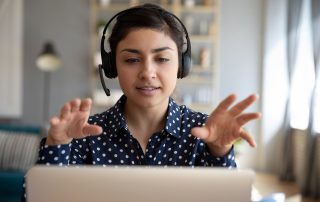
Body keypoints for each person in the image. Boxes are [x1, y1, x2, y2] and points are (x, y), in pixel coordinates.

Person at [23, 2, 261, 200]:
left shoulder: (204, 133)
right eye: (132, 60)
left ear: (182, 65)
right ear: (112, 66)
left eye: (162, 59)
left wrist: (219, 152)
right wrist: (58, 145)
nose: (148, 72)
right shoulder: (83, 135)